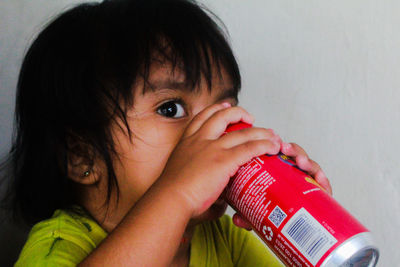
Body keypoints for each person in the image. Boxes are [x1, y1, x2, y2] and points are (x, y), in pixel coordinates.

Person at [1, 0, 332, 266]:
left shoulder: (224, 240)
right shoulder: (59, 244)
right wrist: (179, 193)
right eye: (171, 108)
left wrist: (309, 230)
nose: (215, 132)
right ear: (81, 155)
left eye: (225, 109)